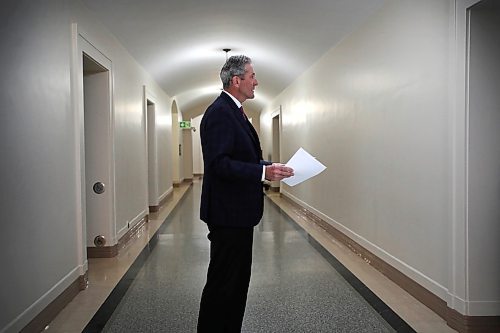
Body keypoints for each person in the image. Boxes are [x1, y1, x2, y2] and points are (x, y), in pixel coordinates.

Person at [197, 55, 294, 332]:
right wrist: (262, 174)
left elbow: (241, 157)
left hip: (237, 214)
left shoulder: (234, 111)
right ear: (236, 80)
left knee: (236, 284)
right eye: (252, 76)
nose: (256, 81)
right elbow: (219, 164)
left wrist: (269, 167)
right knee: (224, 284)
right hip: (228, 215)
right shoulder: (220, 113)